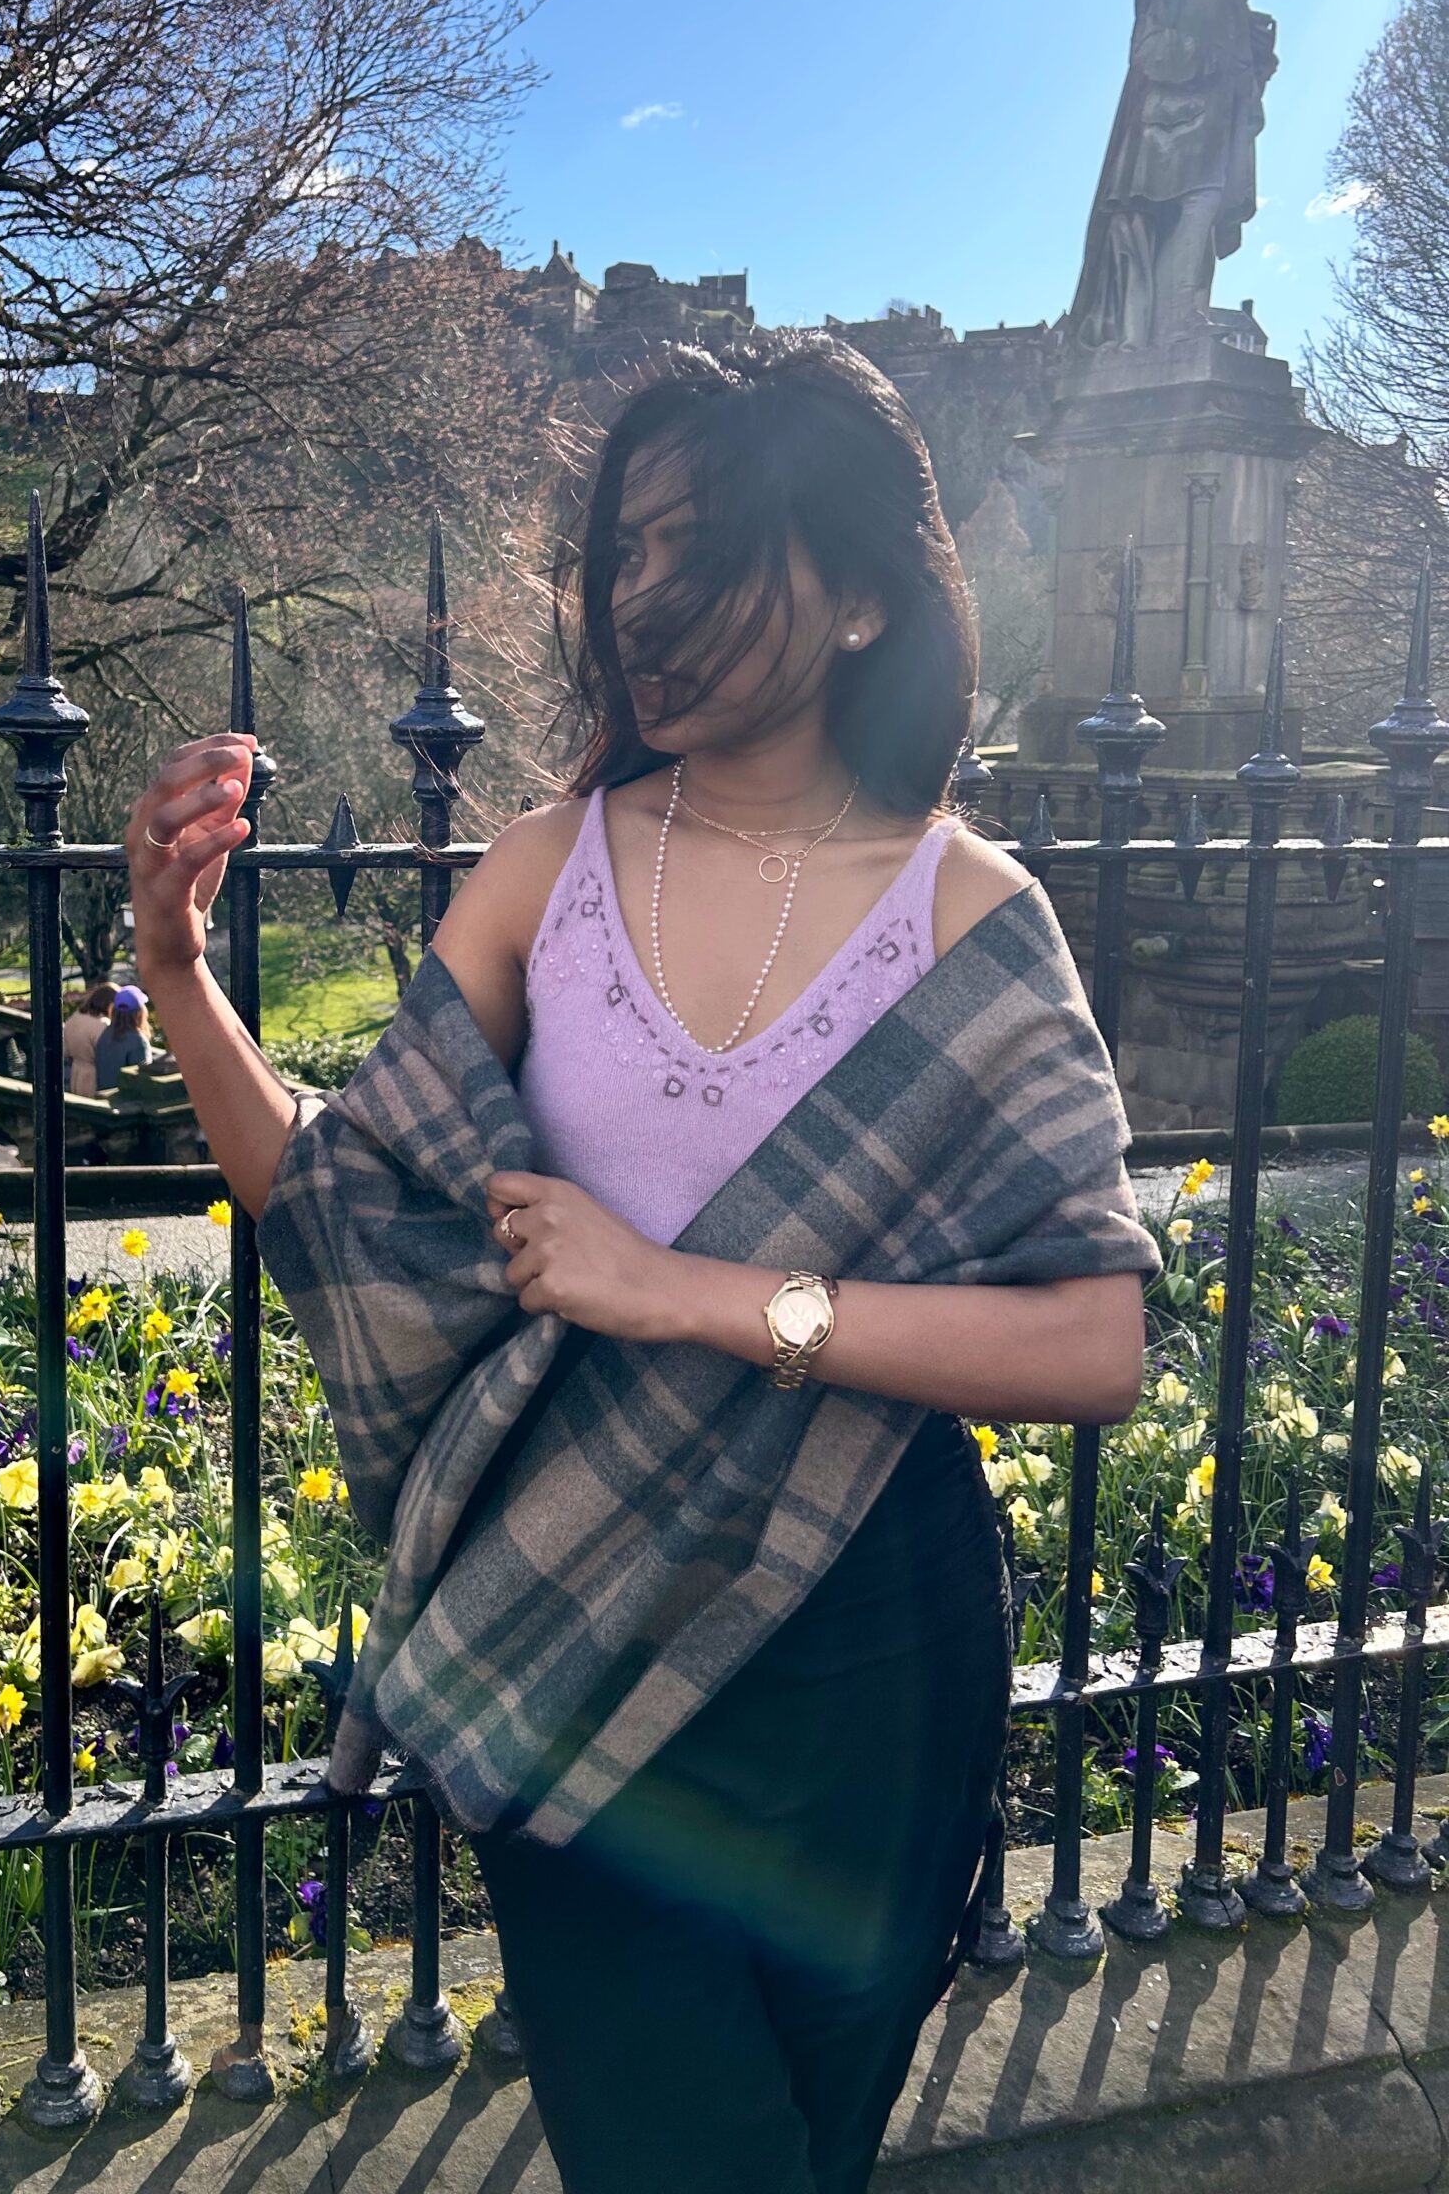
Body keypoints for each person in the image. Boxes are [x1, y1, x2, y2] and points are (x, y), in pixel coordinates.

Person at [122, 335, 1157, 2194]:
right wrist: (180, 974)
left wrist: (693, 1296)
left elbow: (1093, 1340)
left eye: (708, 548)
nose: (645, 597)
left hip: (869, 1647)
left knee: (807, 2154)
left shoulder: (968, 918)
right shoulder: (548, 869)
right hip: (574, 1632)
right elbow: (344, 1212)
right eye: (629, 551)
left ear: (859, 597)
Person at [93, 985, 152, 1092]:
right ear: (139, 1012)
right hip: (128, 1099)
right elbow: (142, 1080)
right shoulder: (138, 1040)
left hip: (105, 1095)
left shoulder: (105, 1033)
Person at [63, 982, 119, 1094]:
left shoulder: (76, 1016)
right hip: (94, 1076)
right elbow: (106, 1055)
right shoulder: (103, 1025)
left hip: (76, 1073)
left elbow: (65, 1049)